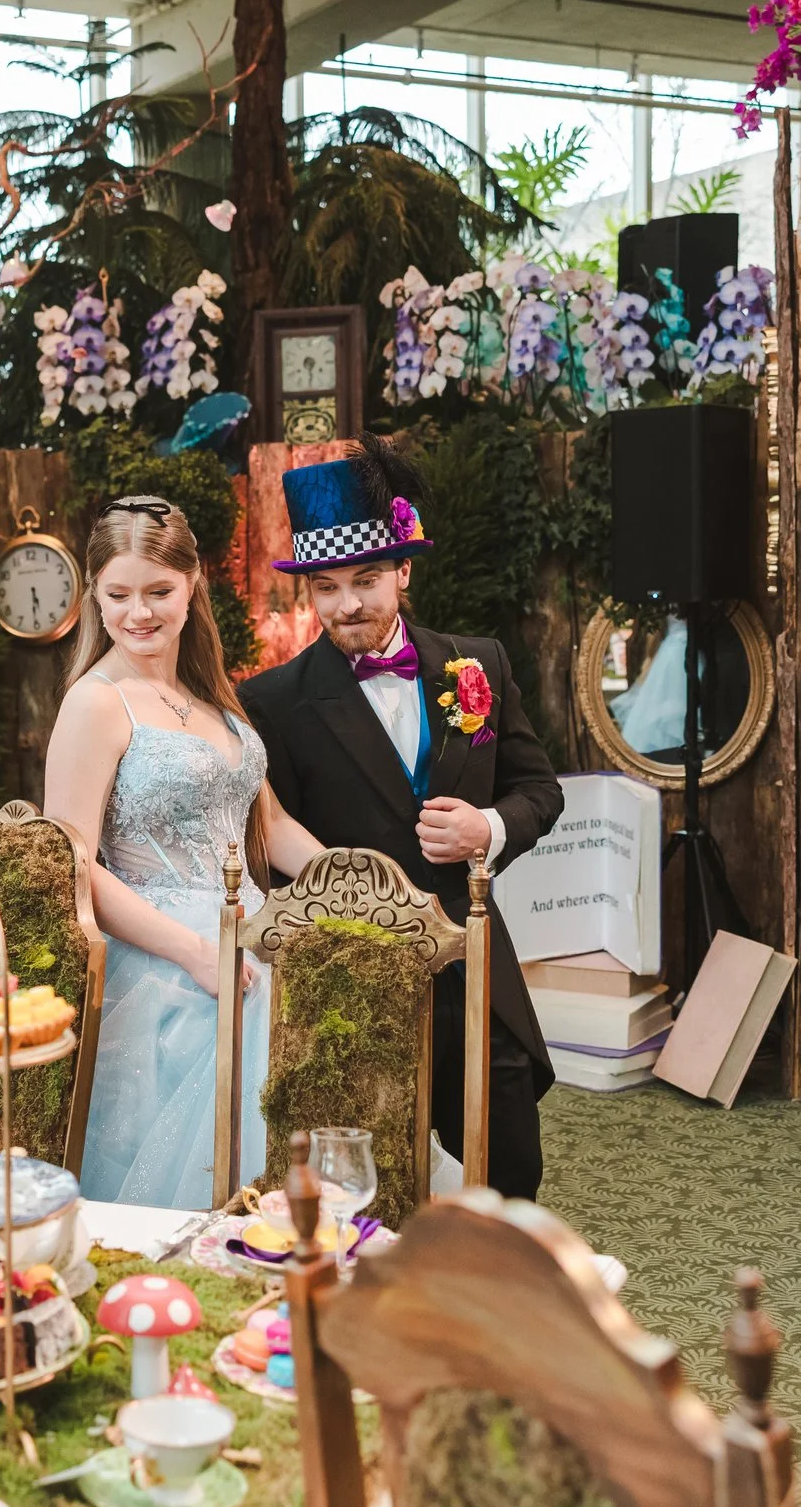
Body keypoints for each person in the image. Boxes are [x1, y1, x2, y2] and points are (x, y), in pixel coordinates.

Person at [238, 443, 564, 1199]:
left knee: (511, 1161)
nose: (348, 604)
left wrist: (489, 827)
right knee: (376, 1176)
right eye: (328, 587)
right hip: (355, 976)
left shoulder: (474, 666)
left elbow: (539, 789)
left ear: (404, 571)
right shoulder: (274, 701)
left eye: (366, 581)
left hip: (474, 960)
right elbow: (268, 850)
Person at [44, 496, 325, 1210]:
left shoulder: (210, 698)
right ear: (95, 592)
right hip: (165, 964)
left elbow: (272, 826)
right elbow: (71, 861)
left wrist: (346, 888)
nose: (140, 612)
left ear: (193, 582)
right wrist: (194, 951)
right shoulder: (96, 702)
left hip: (257, 935)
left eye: (159, 591)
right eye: (119, 594)